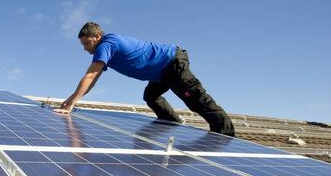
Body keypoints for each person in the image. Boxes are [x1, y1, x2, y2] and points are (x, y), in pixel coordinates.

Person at [55, 22, 235, 136]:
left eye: (87, 43)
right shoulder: (110, 44)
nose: (85, 48)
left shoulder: (106, 45)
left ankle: (227, 136)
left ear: (98, 37)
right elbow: (94, 77)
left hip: (171, 63)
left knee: (196, 100)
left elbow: (91, 75)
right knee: (151, 96)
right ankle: (172, 122)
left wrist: (71, 102)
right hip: (160, 72)